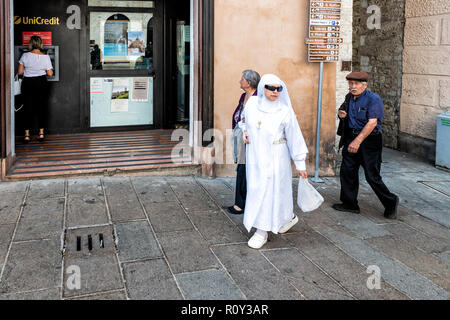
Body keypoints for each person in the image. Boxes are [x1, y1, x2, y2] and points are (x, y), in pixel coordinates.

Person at [240, 74, 308, 249]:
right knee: (257, 189)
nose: (275, 92)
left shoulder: (285, 111)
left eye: (279, 88)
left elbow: (295, 136)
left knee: (271, 191)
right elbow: (244, 121)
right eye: (271, 88)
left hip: (276, 157)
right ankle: (288, 218)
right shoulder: (252, 105)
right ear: (263, 87)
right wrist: (245, 131)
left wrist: (300, 163)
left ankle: (261, 231)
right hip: (255, 157)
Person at [333, 71, 399, 219]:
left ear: (364, 85)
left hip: (370, 140)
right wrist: (341, 114)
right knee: (347, 171)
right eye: (350, 83)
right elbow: (345, 112)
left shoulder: (373, 99)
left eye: (356, 84)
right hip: (351, 136)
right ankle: (350, 204)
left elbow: (372, 122)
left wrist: (357, 141)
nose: (352, 86)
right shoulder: (349, 97)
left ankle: (391, 201)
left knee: (372, 176)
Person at [227, 70, 260, 215]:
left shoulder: (258, 97)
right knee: (242, 168)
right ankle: (243, 202)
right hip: (240, 135)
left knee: (244, 169)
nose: (239, 81)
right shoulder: (243, 95)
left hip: (251, 139)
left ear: (249, 83)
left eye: (242, 79)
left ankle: (240, 204)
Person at [18, 36, 53, 143]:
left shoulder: (25, 55)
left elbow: (20, 72)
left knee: (27, 108)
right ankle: (41, 134)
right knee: (41, 108)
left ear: (31, 44)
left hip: (28, 83)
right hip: (41, 83)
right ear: (41, 44)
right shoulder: (45, 57)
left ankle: (27, 135)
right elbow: (50, 74)